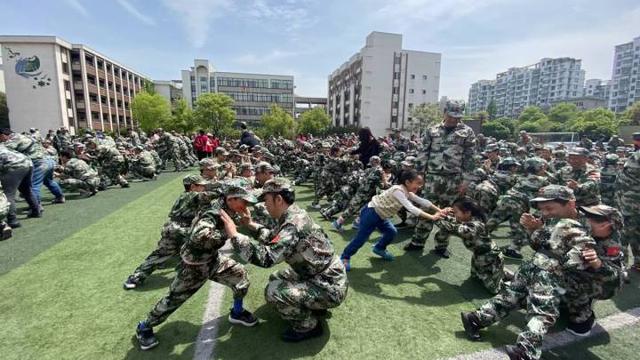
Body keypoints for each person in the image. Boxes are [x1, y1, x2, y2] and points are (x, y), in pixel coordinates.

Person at [460, 185, 596, 360]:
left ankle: (476, 318)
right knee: (542, 313)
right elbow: (579, 252)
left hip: (533, 266)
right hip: (548, 270)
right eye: (542, 209)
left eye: (549, 208)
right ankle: (525, 351)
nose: (545, 213)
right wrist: (535, 230)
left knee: (511, 296)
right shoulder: (569, 224)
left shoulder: (587, 220)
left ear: (570, 204)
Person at [219, 178, 348, 342]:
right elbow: (275, 239)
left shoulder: (292, 224)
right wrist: (251, 224)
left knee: (274, 292)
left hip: (329, 286)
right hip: (320, 275)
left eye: (266, 200)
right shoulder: (293, 214)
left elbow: (266, 258)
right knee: (277, 278)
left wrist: (235, 236)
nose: (264, 204)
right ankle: (314, 306)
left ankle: (309, 326)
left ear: (278, 199)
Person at [134, 185, 258, 351]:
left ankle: (237, 312)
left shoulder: (229, 208)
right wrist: (229, 233)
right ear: (231, 199)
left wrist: (242, 223)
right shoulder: (213, 213)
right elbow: (198, 237)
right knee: (174, 299)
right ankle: (144, 327)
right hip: (194, 266)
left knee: (240, 276)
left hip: (213, 260)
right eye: (244, 201)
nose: (246, 205)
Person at [405, 101, 476, 258]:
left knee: (449, 213)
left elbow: (470, 158)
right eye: (451, 116)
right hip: (432, 178)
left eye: (457, 117)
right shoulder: (432, 130)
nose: (453, 120)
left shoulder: (467, 132)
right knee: (427, 209)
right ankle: (417, 242)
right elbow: (423, 153)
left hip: (454, 180)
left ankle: (441, 245)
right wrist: (419, 176)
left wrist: (466, 181)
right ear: (444, 112)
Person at [340, 169, 446, 270]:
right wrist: (432, 217)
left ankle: (379, 248)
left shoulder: (407, 192)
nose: (420, 186)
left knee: (391, 232)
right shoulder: (398, 190)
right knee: (361, 239)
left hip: (381, 216)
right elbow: (411, 208)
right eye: (418, 183)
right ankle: (345, 257)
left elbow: (423, 201)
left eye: (421, 183)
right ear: (408, 182)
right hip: (371, 213)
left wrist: (439, 210)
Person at [123, 175, 211, 289]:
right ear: (193, 186)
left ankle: (137, 277)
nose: (204, 188)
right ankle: (137, 277)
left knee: (164, 254)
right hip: (179, 229)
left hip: (175, 228)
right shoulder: (193, 195)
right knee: (202, 246)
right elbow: (213, 194)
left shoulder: (185, 196)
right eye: (201, 186)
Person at [437, 197, 508, 294]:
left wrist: (435, 218)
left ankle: (506, 276)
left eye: (456, 212)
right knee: (475, 277)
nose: (454, 214)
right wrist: (443, 215)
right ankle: (500, 272)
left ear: (467, 213)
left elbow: (453, 228)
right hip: (479, 256)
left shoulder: (474, 225)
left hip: (490, 258)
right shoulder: (470, 219)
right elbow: (455, 222)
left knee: (493, 289)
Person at [0, 145, 40, 228]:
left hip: (14, 165)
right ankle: (36, 211)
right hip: (27, 163)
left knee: (8, 194)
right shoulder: (3, 146)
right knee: (26, 190)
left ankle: (12, 220)